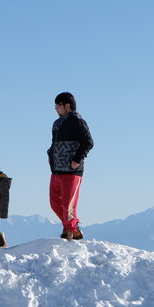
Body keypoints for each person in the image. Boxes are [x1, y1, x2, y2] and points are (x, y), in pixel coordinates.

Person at [47, 92, 94, 240]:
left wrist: (77, 159)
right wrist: (50, 154)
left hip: (72, 170)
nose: (55, 108)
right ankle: (74, 229)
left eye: (58, 105)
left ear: (67, 106)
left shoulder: (78, 122)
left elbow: (88, 142)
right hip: (56, 170)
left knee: (69, 206)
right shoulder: (57, 123)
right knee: (54, 202)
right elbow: (54, 143)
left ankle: (69, 232)